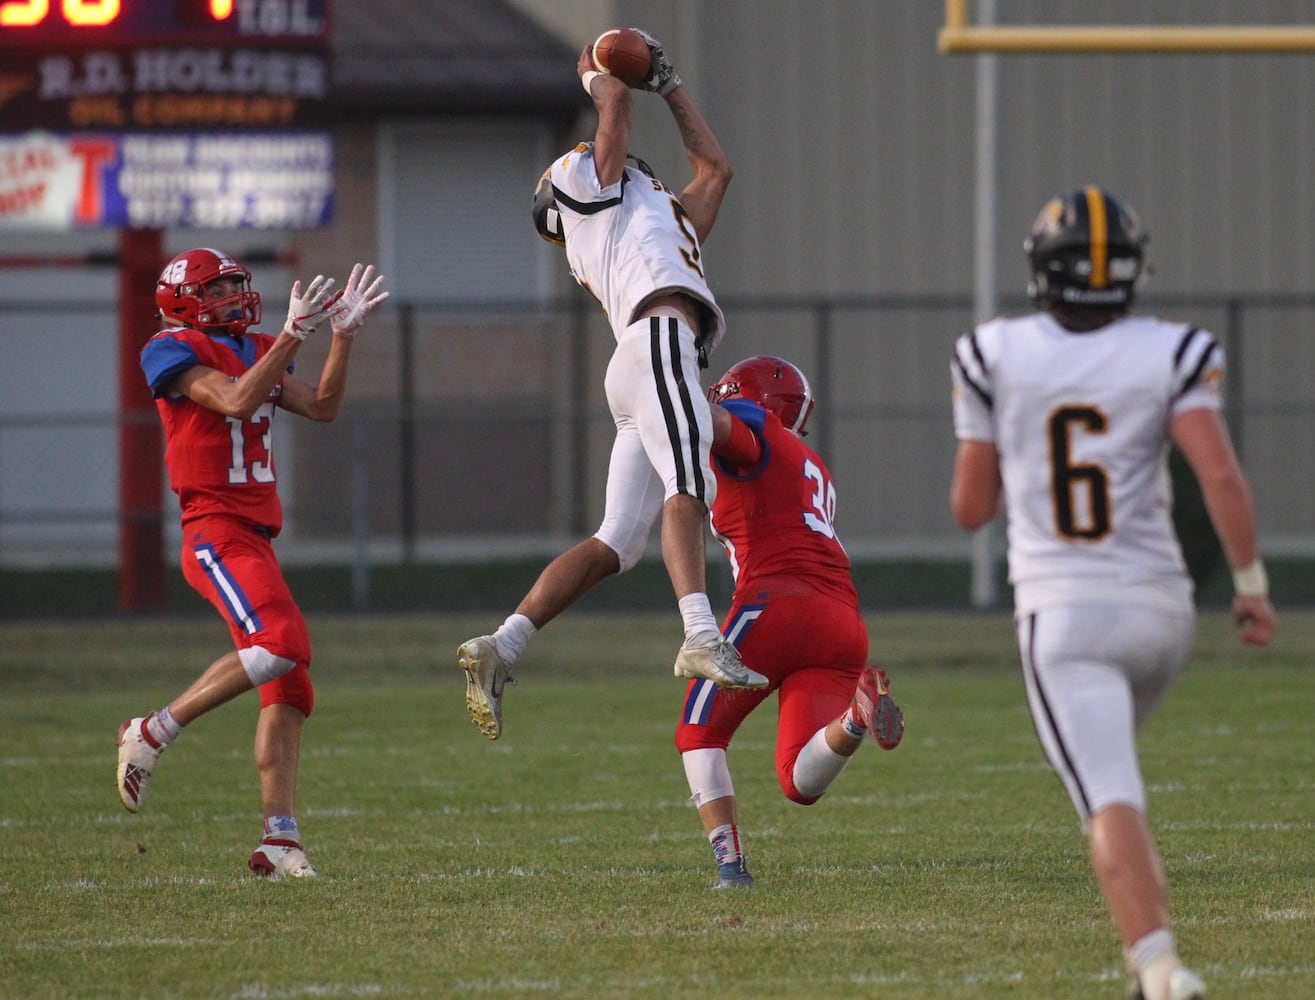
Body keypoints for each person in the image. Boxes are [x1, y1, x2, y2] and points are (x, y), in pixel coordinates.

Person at [949, 187, 1277, 1000]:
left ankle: (1161, 970)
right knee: (1107, 783)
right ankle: (1146, 965)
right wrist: (1250, 586)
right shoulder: (1172, 350)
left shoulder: (992, 352)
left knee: (1106, 794)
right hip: (1162, 613)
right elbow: (1219, 476)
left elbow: (970, 509)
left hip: (1065, 613)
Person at [456, 29, 765, 742]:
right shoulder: (587, 191)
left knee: (615, 542)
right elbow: (615, 110)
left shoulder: (649, 214)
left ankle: (502, 645)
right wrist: (598, 73)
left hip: (645, 356)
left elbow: (714, 170)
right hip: (658, 340)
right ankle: (698, 632)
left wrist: (672, 86)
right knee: (691, 484)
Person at [115, 248, 388, 878]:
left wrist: (341, 337)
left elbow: (322, 405)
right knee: (282, 640)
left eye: (236, 287)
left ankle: (280, 839)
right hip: (213, 530)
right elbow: (237, 401)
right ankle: (151, 731)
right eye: (218, 290)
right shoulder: (169, 350)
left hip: (254, 535)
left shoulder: (255, 344)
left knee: (290, 682)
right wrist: (293, 335)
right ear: (184, 302)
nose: (234, 298)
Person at [677, 355, 905, 889]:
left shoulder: (749, 424)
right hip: (843, 620)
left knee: (698, 734)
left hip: (777, 604)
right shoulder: (812, 463)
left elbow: (706, 420)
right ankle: (855, 716)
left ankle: (731, 870)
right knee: (798, 780)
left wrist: (658, 381)